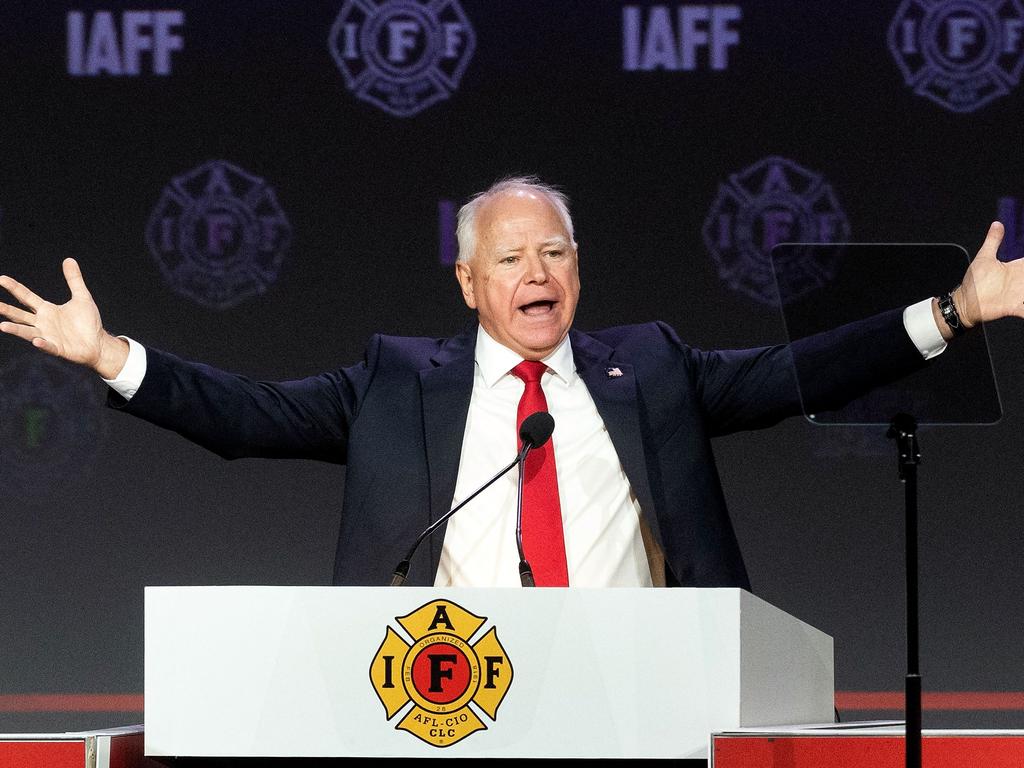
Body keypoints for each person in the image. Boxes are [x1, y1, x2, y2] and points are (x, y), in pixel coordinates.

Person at [2, 177, 1022, 589]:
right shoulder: (397, 383)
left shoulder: (652, 367)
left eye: (555, 253)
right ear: (468, 281)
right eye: (510, 258)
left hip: (638, 701)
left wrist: (952, 311)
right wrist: (110, 358)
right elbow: (249, 418)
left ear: (577, 270)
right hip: (449, 702)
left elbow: (798, 371)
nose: (537, 273)